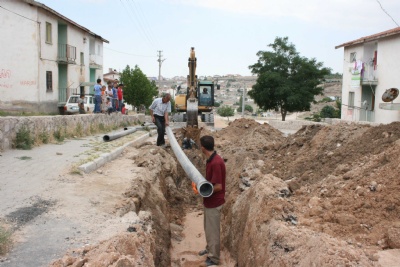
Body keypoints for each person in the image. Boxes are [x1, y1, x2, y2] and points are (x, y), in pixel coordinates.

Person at [198, 135, 226, 267]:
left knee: (213, 231)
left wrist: (202, 190)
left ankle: (214, 258)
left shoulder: (216, 162)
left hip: (214, 203)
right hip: (209, 202)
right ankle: (209, 250)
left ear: (203, 147)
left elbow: (219, 186)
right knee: (208, 229)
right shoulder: (211, 159)